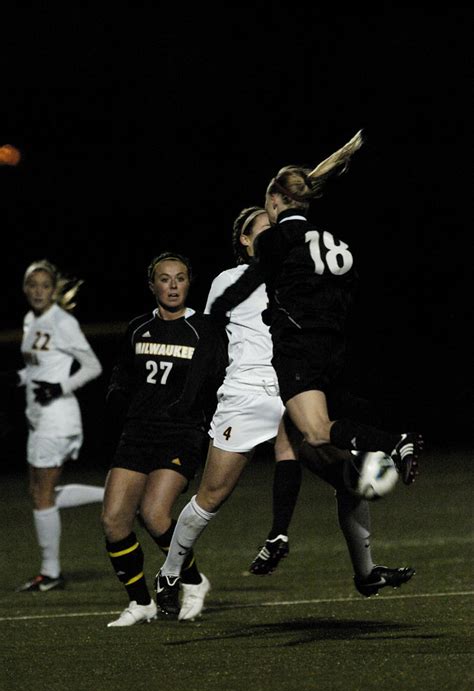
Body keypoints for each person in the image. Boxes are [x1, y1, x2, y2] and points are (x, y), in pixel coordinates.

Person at [155, 207, 415, 616]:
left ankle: (364, 573)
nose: (275, 235)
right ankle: (170, 573)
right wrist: (190, 402)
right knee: (211, 496)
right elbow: (208, 343)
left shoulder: (293, 274)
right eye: (263, 230)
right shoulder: (229, 279)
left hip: (290, 389)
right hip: (244, 393)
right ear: (244, 240)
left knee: (350, 479)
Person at [207, 130, 423, 483]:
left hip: (299, 350)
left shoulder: (276, 239)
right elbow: (343, 292)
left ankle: (395, 441)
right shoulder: (333, 242)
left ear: (277, 199)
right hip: (333, 349)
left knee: (317, 432)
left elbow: (250, 282)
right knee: (302, 437)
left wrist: (218, 312)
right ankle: (279, 535)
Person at [102, 252, 227, 627]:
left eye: (180, 278)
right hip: (138, 431)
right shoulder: (138, 328)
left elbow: (218, 380)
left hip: (181, 432)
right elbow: (123, 374)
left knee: (155, 515)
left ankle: (192, 579)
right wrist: (116, 395)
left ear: (190, 283)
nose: (172, 286)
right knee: (113, 520)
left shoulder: (205, 329)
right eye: (165, 278)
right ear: (152, 284)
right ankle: (141, 603)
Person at [13, 259, 103, 592]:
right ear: (25, 289)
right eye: (32, 285)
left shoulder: (62, 322)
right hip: (39, 418)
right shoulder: (29, 320)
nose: (38, 291)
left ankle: (50, 573)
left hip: (58, 417)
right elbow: (42, 366)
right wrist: (20, 377)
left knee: (42, 495)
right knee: (39, 493)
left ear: (54, 290)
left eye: (44, 285)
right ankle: (117, 497)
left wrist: (59, 387)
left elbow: (92, 365)